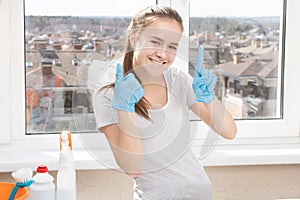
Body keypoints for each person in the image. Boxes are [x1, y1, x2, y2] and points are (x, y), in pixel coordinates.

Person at [93, 5, 237, 200]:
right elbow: (132, 168)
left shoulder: (179, 80)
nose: (162, 54)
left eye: (172, 46)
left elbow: (229, 131)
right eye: (155, 42)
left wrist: (209, 98)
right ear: (135, 38)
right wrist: (124, 108)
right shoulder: (108, 95)